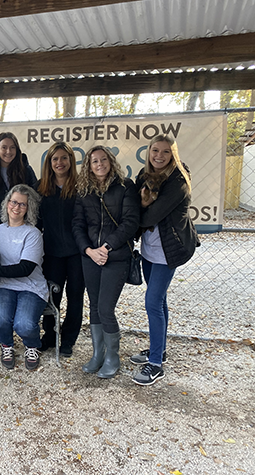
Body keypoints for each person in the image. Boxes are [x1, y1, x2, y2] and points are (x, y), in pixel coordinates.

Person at [130, 135, 200, 385]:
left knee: (152, 302)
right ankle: (159, 349)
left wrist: (131, 216)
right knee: (159, 300)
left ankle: (156, 364)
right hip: (150, 249)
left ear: (174, 155)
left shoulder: (178, 181)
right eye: (155, 150)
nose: (159, 156)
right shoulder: (144, 175)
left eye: (166, 152)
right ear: (148, 152)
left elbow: (148, 218)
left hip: (169, 250)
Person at [72, 145, 139, 379]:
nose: (99, 164)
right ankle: (97, 353)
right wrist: (89, 250)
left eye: (103, 160)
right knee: (93, 306)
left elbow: (130, 222)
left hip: (116, 256)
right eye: (94, 162)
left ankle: (113, 356)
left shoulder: (125, 187)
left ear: (110, 161)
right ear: (88, 166)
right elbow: (77, 225)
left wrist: (106, 247)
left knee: (105, 308)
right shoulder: (83, 191)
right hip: (90, 257)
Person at [0, 184, 48, 371]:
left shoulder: (33, 233)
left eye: (22, 204)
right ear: (7, 203)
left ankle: (32, 346)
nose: (16, 207)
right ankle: (6, 345)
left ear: (29, 209)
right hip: (4, 285)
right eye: (13, 202)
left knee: (25, 324)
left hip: (30, 285)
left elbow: (26, 268)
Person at [36, 142, 85, 358]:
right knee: (51, 297)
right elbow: (35, 222)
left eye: (64, 158)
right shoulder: (40, 188)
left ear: (71, 161)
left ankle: (68, 340)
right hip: (52, 252)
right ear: (49, 162)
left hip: (77, 252)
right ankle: (49, 336)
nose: (59, 162)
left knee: (75, 296)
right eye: (55, 159)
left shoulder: (81, 187)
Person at [0, 132, 38, 243]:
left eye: (12, 148)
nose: (8, 152)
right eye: (4, 148)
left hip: (21, 227)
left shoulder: (26, 171)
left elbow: (35, 196)